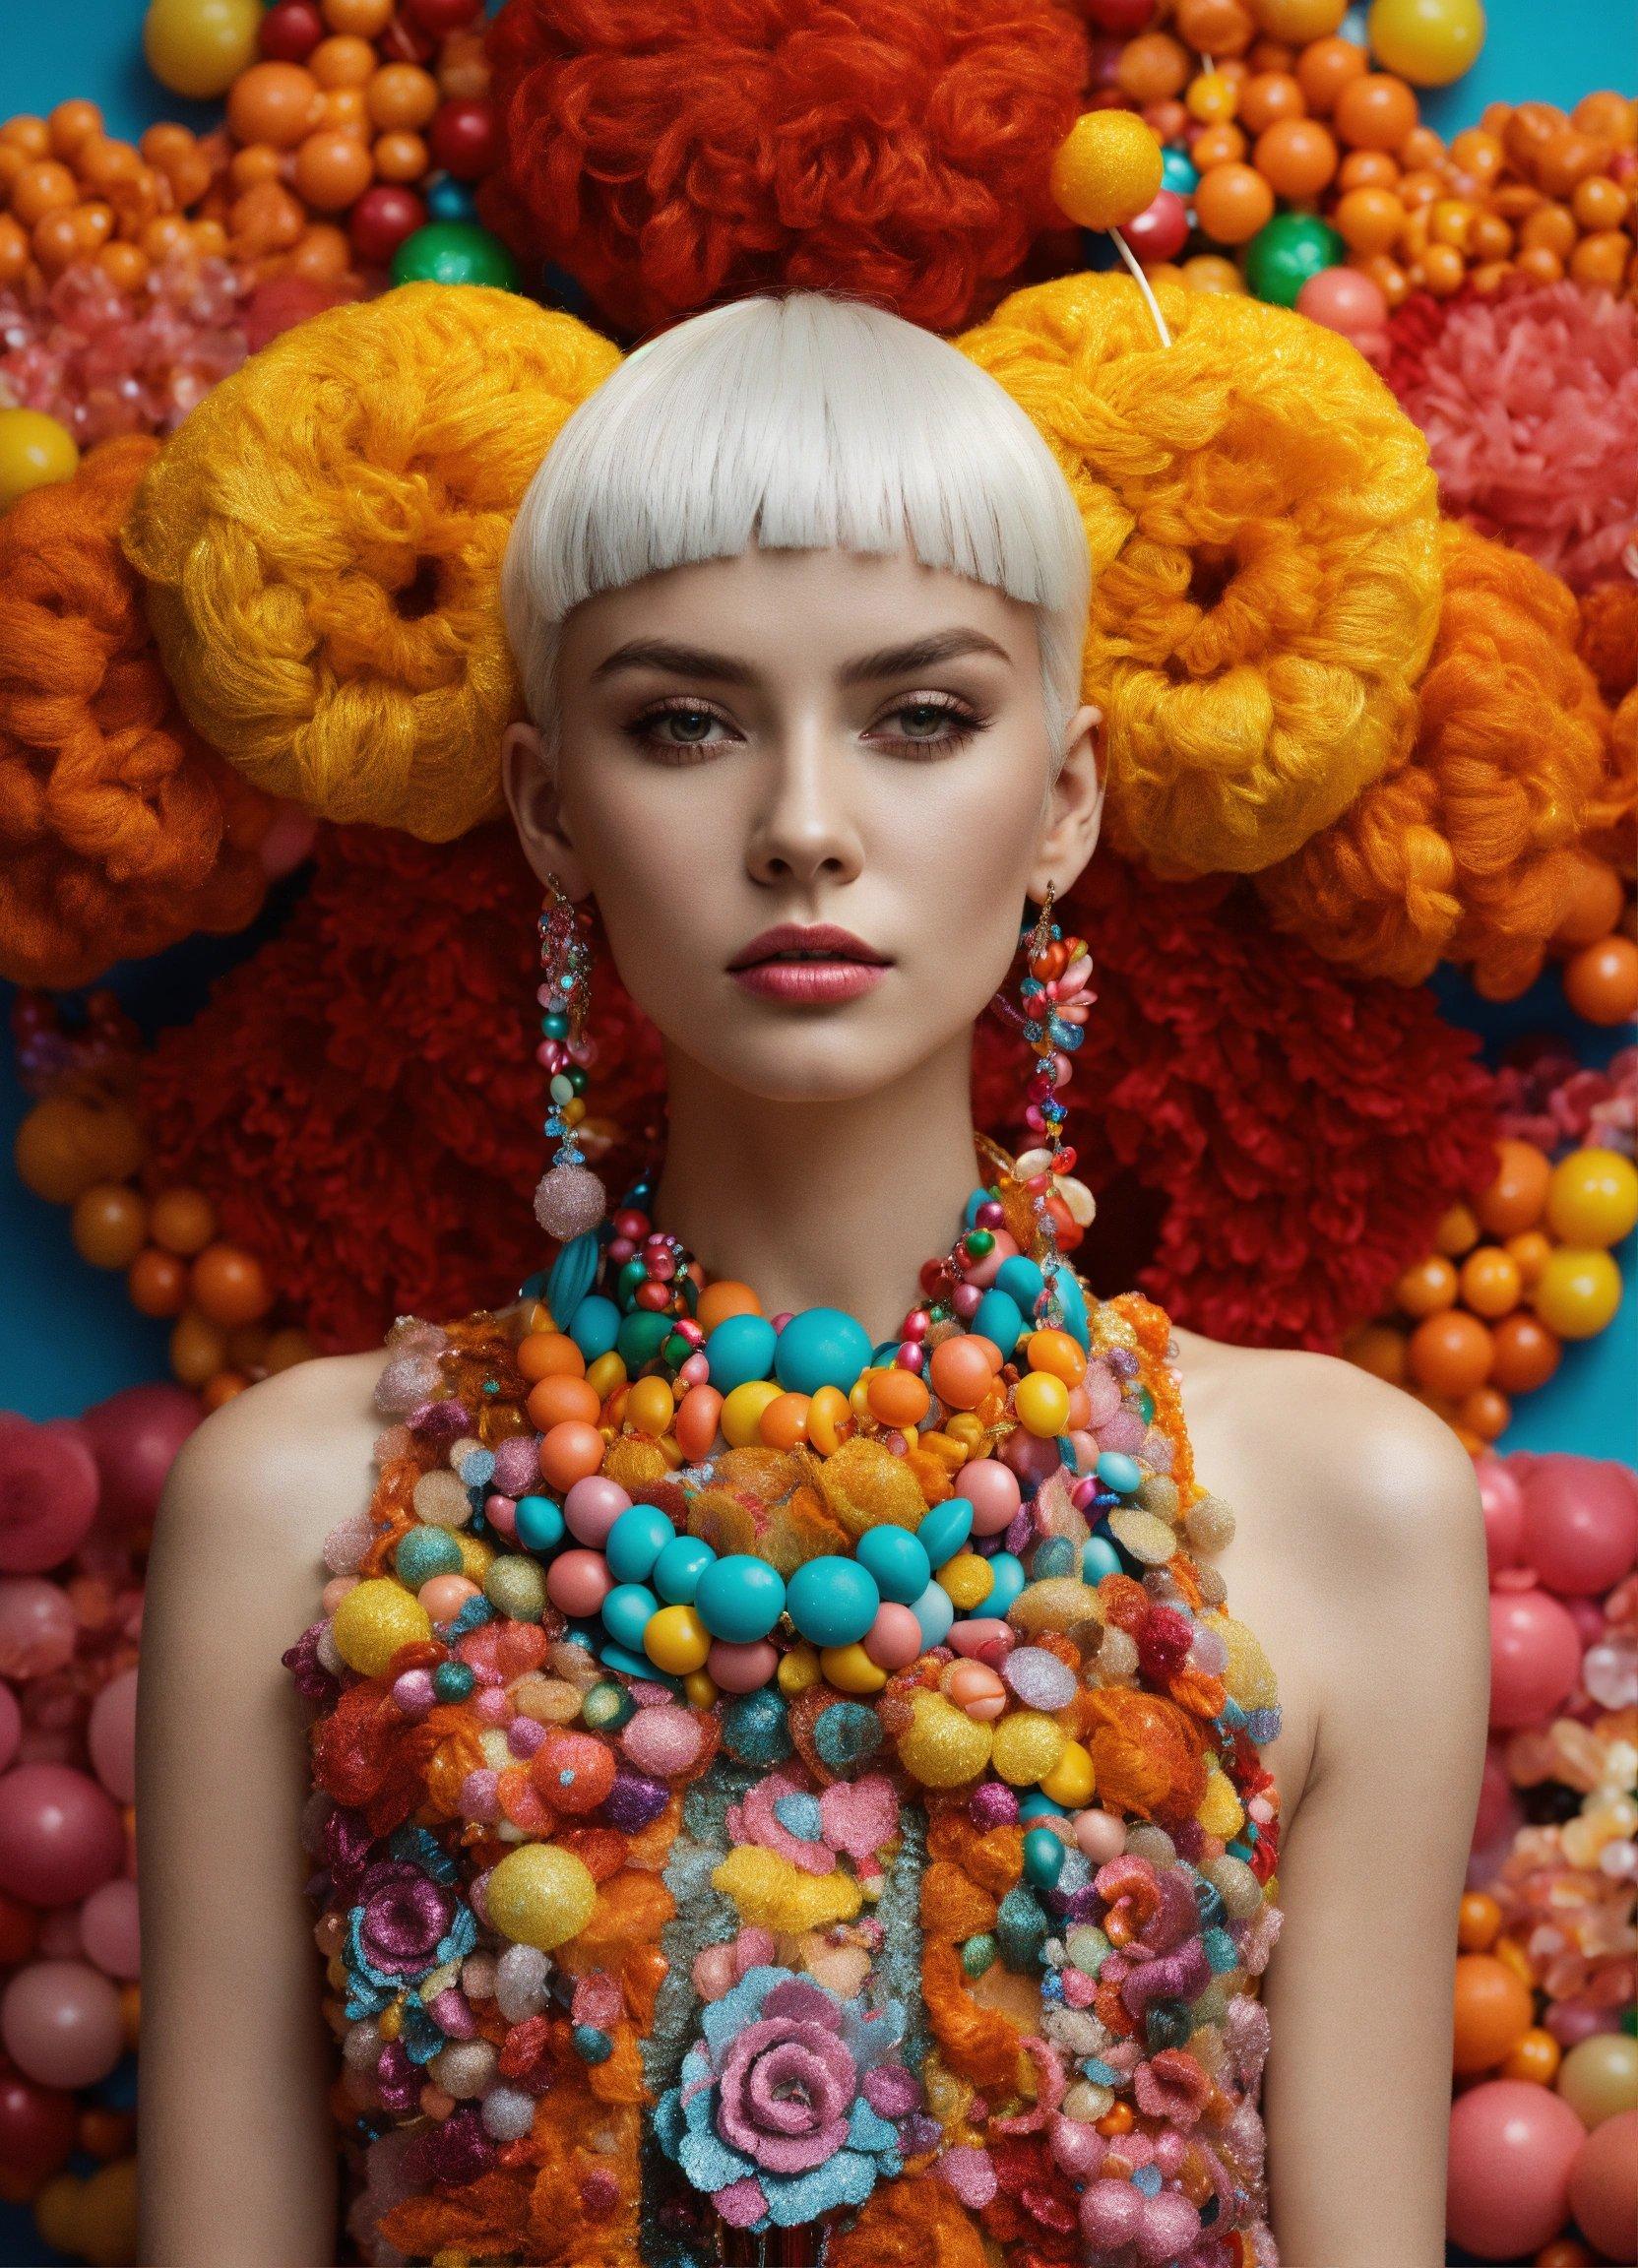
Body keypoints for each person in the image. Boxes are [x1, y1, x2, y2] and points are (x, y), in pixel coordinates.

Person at [136, 290, 1491, 2268]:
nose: (801, 827)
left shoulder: (1342, 1505)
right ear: (546, 812)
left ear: (1064, 804)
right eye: (682, 724)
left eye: (919, 717)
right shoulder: (296, 1509)